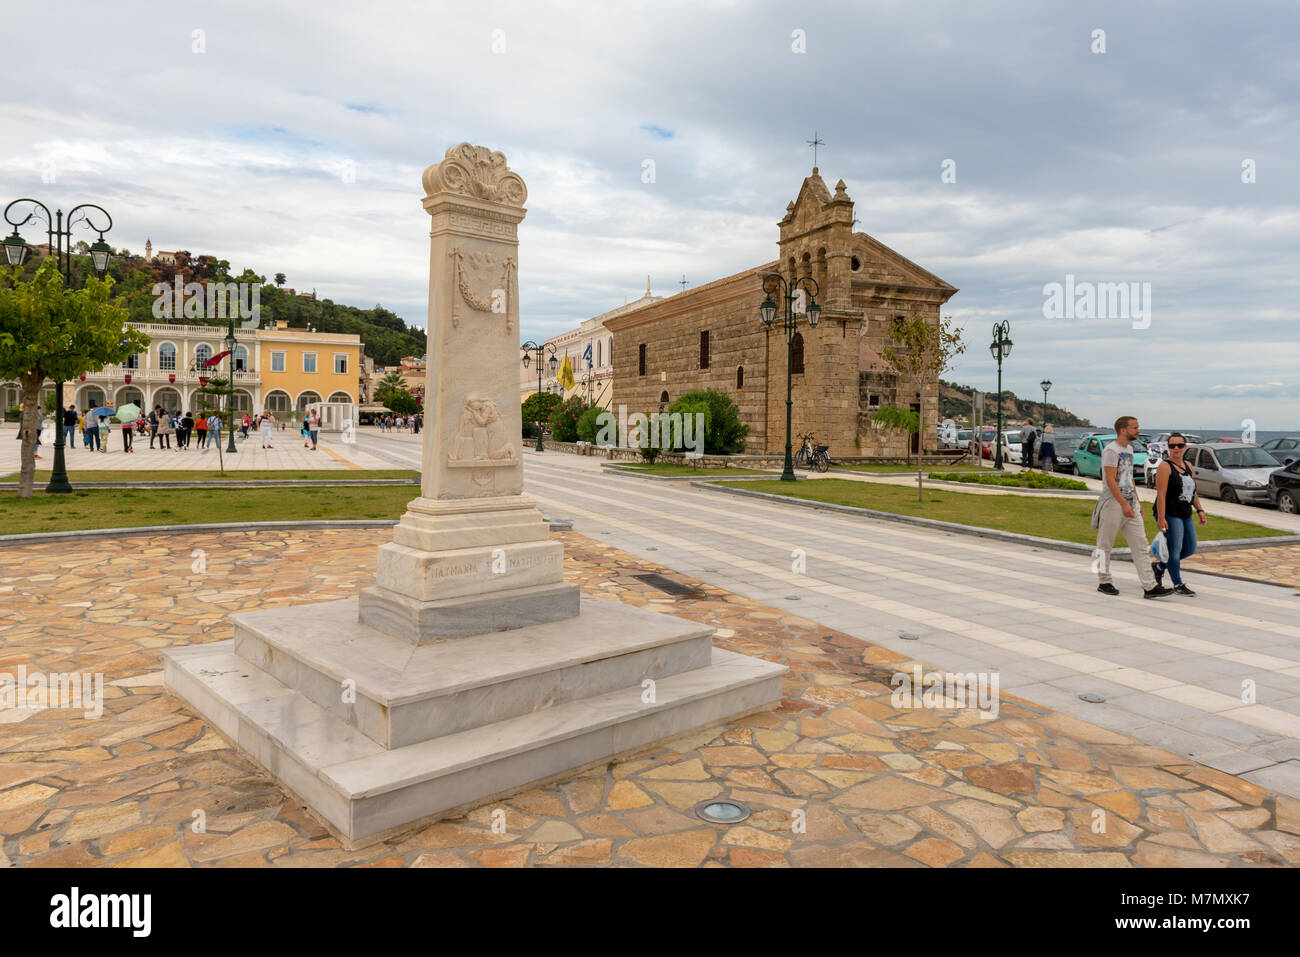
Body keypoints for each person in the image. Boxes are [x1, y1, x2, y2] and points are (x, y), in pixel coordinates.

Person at [1090, 415, 1171, 598]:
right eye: (1135, 427)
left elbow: (1129, 477)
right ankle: (1104, 582)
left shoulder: (1130, 449)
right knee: (1105, 545)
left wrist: (1137, 501)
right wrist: (1123, 503)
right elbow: (1110, 480)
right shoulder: (1111, 451)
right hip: (1113, 503)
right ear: (1123, 430)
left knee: (1141, 545)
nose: (1139, 430)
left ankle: (1150, 587)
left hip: (1130, 502)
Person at [1153, 433, 1207, 597]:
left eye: (1179, 445)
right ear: (1168, 448)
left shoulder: (1188, 465)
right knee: (1174, 549)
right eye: (1172, 446)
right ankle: (1177, 583)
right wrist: (1161, 518)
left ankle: (1160, 566)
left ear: (1185, 447)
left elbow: (1192, 491)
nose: (1176, 449)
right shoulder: (1165, 467)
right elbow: (1161, 494)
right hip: (1169, 512)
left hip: (1184, 511)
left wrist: (1200, 510)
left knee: (1190, 547)